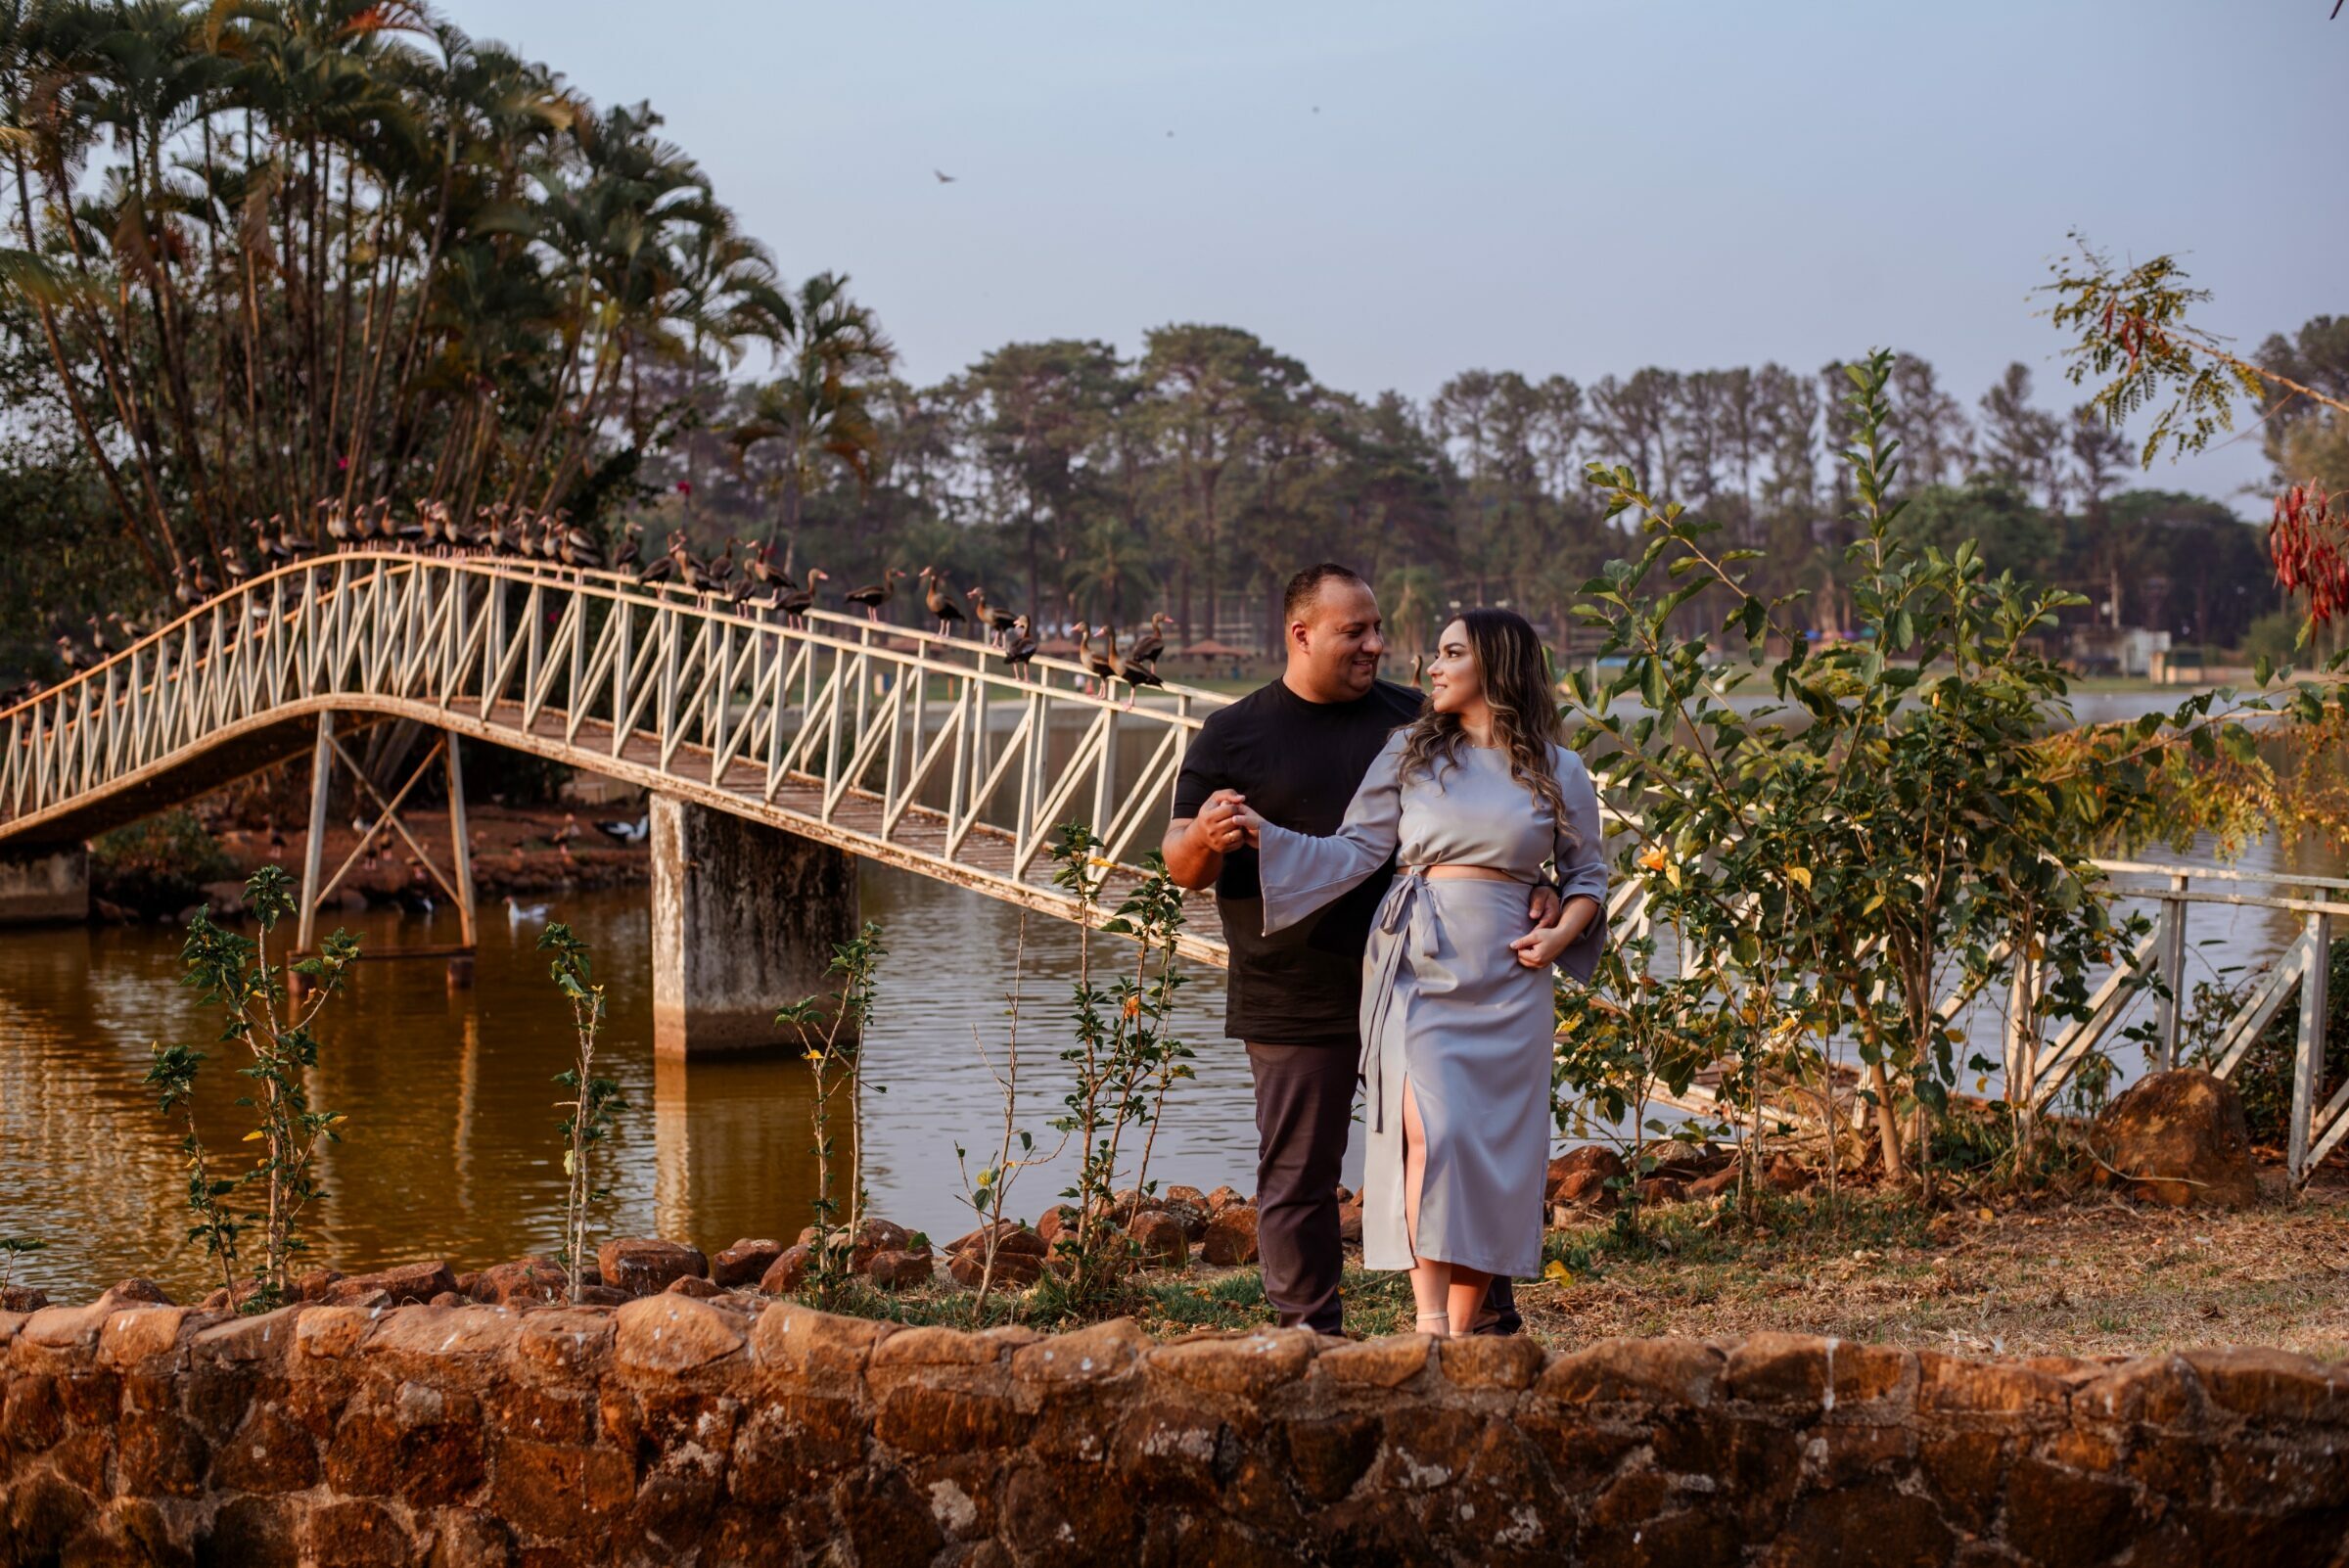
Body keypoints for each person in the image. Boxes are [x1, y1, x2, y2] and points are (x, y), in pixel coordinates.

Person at [1164, 566, 1568, 1336]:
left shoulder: (1417, 720)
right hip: (1294, 984)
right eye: (1356, 631)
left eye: (1377, 629)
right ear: (1302, 634)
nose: (1377, 645)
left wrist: (1538, 882)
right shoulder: (1233, 733)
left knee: (1460, 1144)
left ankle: (1482, 1332)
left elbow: (1494, 814)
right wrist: (1207, 839)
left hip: (1427, 981)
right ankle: (1310, 1337)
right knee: (1300, 1173)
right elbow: (1181, 866)